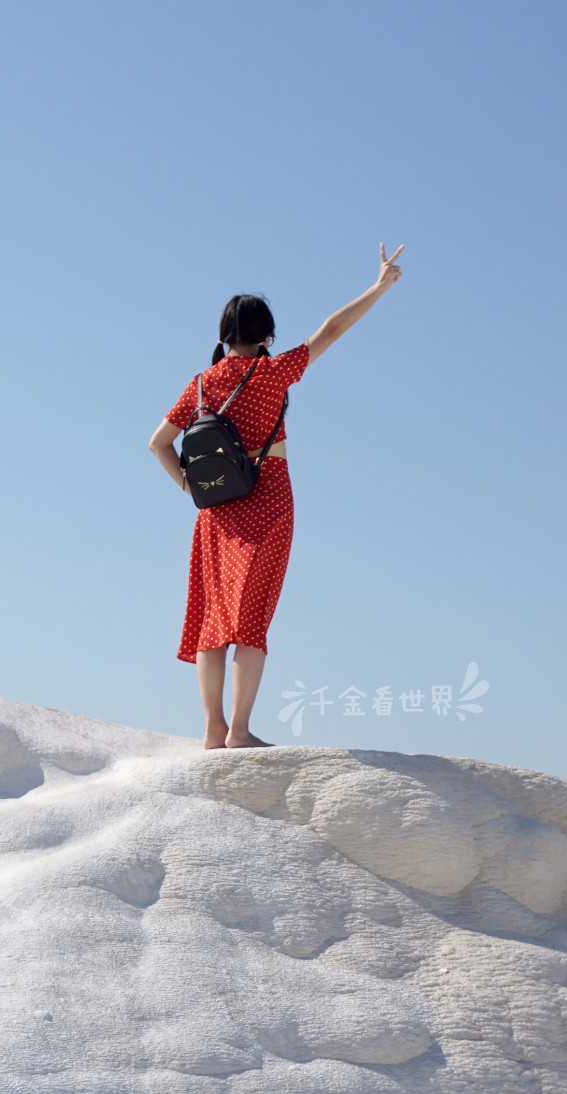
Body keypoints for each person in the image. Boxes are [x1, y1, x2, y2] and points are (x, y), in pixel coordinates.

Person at [148, 244, 405, 749]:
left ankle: (212, 727)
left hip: (215, 510)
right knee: (251, 619)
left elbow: (158, 443)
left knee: (213, 617)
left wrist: (188, 485)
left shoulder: (202, 385)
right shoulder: (273, 373)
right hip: (267, 501)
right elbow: (331, 330)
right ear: (265, 335)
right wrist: (378, 287)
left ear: (223, 336)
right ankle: (241, 730)